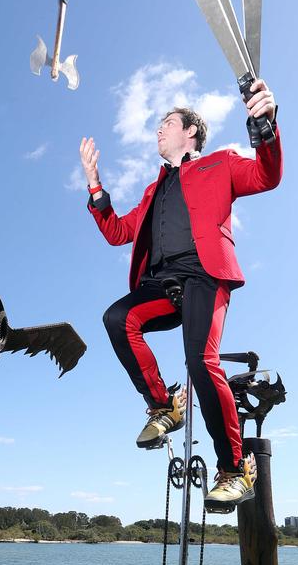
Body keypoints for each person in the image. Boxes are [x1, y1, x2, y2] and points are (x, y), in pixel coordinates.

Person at [80, 79, 282, 509]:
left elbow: (267, 175)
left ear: (190, 132)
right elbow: (118, 232)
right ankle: (164, 405)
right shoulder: (153, 191)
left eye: (167, 123)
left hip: (206, 276)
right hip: (162, 285)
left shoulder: (220, 164)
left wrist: (266, 129)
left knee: (200, 361)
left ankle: (234, 468)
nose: (159, 129)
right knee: (118, 318)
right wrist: (95, 186)